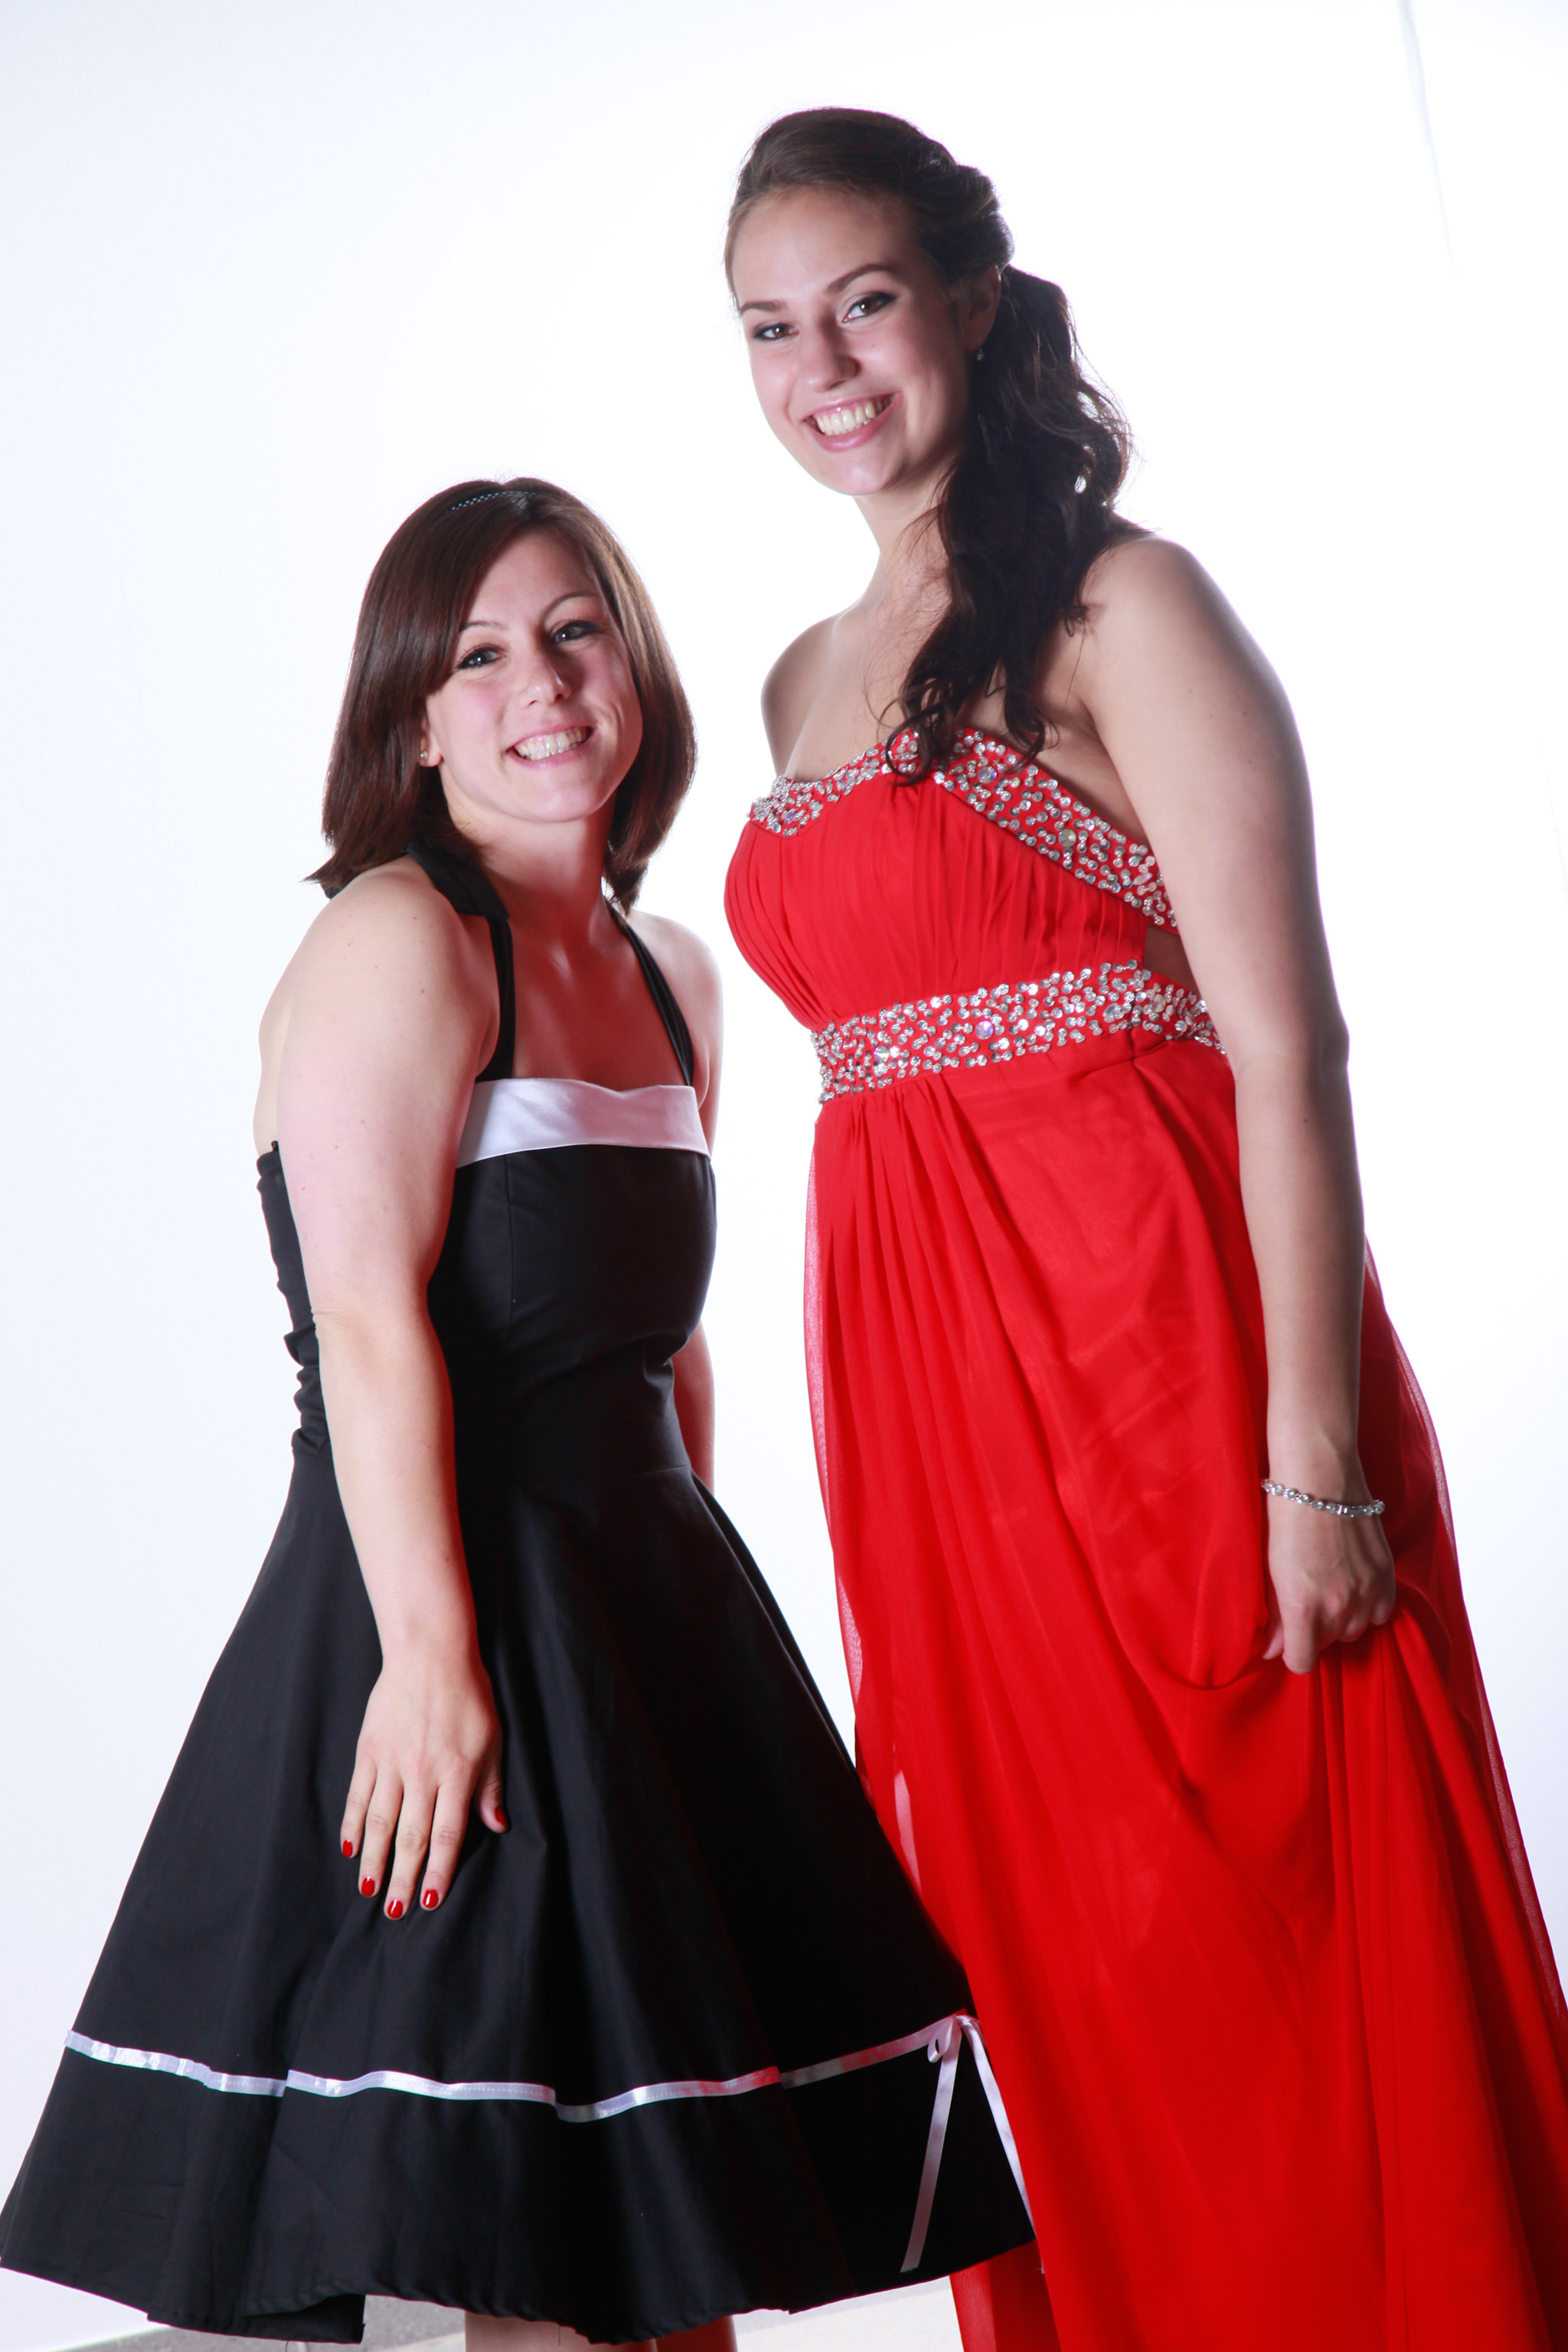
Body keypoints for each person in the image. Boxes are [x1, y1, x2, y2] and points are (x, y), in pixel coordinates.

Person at [0, 477, 1034, 2350]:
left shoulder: (676, 977)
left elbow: (663, 1343)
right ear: (411, 722)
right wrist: (432, 1662)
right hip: (435, 1609)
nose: (540, 686)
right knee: (536, 2247)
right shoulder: (398, 941)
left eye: (572, 632)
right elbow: (367, 1325)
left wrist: (691, 1668)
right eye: (476, 657)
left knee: (680, 2244)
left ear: (634, 664)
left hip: (645, 1622)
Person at [721, 108, 1568, 2352]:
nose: (822, 370)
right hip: (936, 1409)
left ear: (973, 301)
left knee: (1285, 1941)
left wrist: (1316, 1461)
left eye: (864, 303)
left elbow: (1289, 1046)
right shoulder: (800, 676)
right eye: (770, 332)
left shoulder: (1119, 600)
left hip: (1172, 1367)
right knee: (1052, 1956)